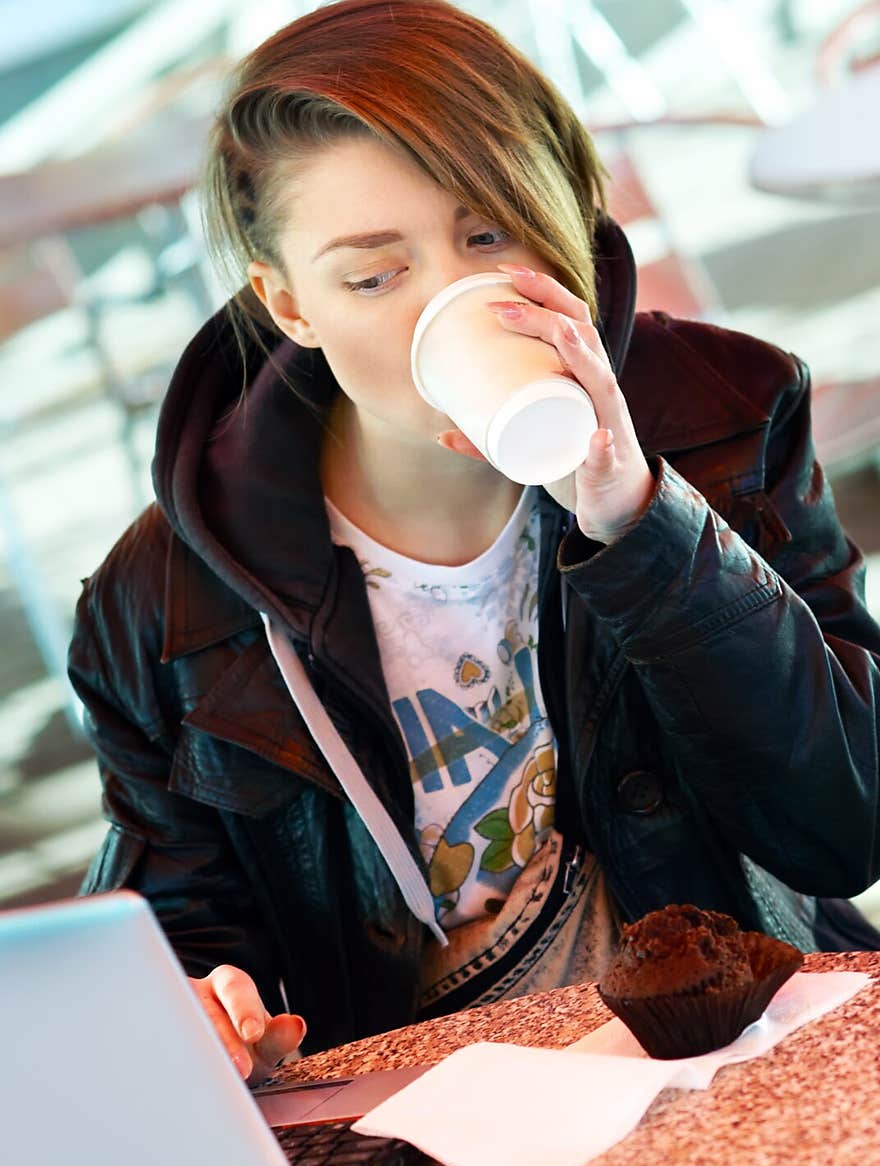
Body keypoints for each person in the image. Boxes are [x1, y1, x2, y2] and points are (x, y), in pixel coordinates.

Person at [69, 0, 880, 1086]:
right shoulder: (161, 603)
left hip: (733, 1053)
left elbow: (846, 826)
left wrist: (640, 519)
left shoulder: (724, 413)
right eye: (373, 274)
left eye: (488, 233)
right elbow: (181, 946)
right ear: (290, 304)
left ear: (563, 216)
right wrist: (202, 1010)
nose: (450, 296)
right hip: (418, 1122)